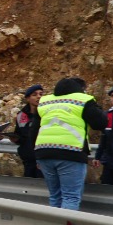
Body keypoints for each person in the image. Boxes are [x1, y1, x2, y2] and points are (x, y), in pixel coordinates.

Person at [34, 76, 106, 211]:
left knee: (55, 196)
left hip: (44, 152)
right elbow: (100, 123)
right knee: (70, 197)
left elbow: (34, 130)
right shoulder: (83, 100)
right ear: (80, 90)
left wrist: (36, 156)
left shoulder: (45, 102)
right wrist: (96, 107)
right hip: (71, 152)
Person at [10, 84, 44, 178]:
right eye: (35, 94)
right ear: (28, 98)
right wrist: (16, 139)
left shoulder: (46, 114)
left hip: (43, 158)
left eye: (41, 94)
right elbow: (21, 135)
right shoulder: (21, 115)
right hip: (28, 159)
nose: (39, 97)